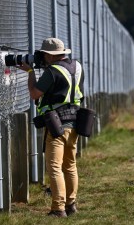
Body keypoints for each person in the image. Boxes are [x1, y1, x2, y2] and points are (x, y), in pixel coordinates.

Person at [17, 37, 84, 218]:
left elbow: (34, 94)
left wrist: (31, 71)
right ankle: (71, 204)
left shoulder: (52, 71)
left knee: (54, 167)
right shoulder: (77, 67)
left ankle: (58, 208)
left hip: (57, 124)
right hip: (75, 121)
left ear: (48, 55)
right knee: (70, 165)